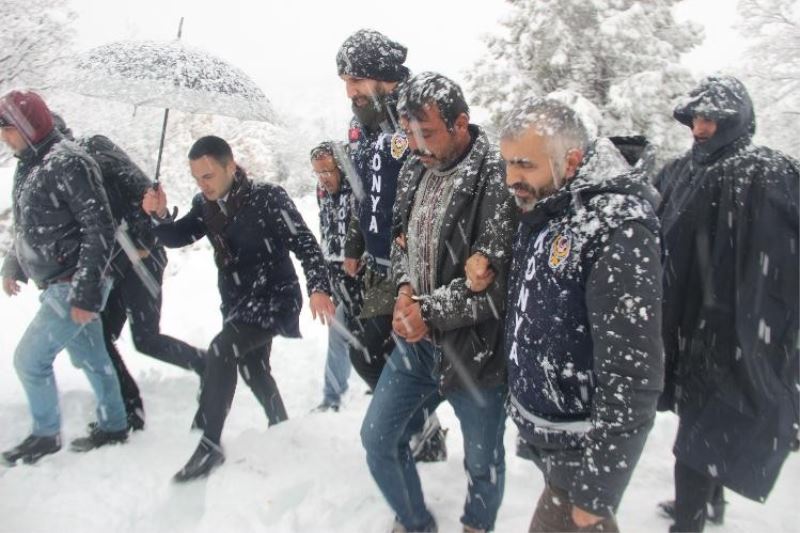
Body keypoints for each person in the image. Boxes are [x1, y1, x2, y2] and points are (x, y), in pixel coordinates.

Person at [494, 97, 664, 532]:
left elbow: (633, 371)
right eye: (507, 164)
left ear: (570, 160)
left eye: (524, 165)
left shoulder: (617, 229)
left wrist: (599, 487)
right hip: (557, 443)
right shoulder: (550, 204)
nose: (512, 178)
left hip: (581, 445)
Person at [361, 73, 514, 533]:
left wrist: (428, 312)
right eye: (408, 134)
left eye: (426, 133)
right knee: (377, 439)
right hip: (416, 346)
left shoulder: (497, 174)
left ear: (460, 123)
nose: (417, 146)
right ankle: (414, 521)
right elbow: (401, 242)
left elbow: (495, 285)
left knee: (483, 462)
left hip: (475, 352)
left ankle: (476, 524)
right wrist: (406, 291)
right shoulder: (412, 168)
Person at [142, 135, 335, 482]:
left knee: (222, 349)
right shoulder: (206, 205)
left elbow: (305, 243)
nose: (203, 185)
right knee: (253, 367)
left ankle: (210, 446)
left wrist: (318, 287)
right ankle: (281, 426)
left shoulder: (268, 197)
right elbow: (178, 236)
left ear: (230, 166)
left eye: (209, 175)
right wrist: (158, 216)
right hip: (237, 301)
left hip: (275, 297)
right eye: (197, 178)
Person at [654, 75, 799, 532]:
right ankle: (707, 505)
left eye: (713, 119)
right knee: (700, 418)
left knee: (700, 428)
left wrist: (753, 323)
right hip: (685, 322)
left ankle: (690, 520)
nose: (700, 129)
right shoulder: (681, 171)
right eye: (696, 117)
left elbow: (780, 259)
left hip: (734, 327)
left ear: (737, 121)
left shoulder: (766, 171)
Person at [53, 114, 205, 431]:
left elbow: (145, 196)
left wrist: (151, 221)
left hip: (142, 259)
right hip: (115, 264)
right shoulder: (63, 173)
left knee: (145, 338)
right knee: (100, 337)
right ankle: (127, 409)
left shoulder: (96, 153)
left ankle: (208, 363)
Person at [0, 90, 128, 465]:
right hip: (59, 283)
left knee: (29, 361)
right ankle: (115, 425)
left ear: (28, 125)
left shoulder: (69, 162)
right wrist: (14, 264)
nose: (3, 137)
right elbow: (28, 226)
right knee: (92, 358)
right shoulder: (30, 163)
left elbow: (98, 228)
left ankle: (45, 435)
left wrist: (85, 293)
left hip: (72, 284)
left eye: (6, 129)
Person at [337, 28, 447, 460]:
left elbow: (446, 176)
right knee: (366, 351)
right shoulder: (361, 126)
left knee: (422, 356)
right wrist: (353, 243)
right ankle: (424, 427)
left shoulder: (420, 112)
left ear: (384, 77)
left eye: (357, 81)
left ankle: (423, 425)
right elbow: (361, 193)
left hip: (425, 263)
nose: (350, 92)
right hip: (382, 265)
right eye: (345, 82)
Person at [310, 141, 363, 412]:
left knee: (355, 334)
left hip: (362, 275)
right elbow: (326, 232)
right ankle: (333, 396)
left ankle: (336, 395)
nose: (324, 178)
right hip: (335, 273)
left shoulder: (358, 189)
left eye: (328, 171)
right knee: (340, 332)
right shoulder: (321, 193)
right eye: (318, 172)